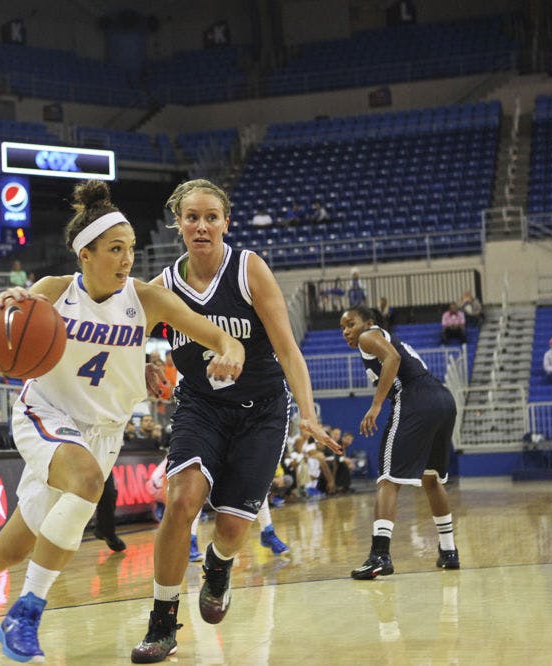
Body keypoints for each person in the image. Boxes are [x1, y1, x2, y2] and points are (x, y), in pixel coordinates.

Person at [0, 179, 245, 665]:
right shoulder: (51, 293)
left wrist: (230, 350)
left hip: (104, 433)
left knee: (10, 547)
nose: (126, 260)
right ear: (85, 254)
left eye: (131, 250)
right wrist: (6, 310)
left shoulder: (145, 299)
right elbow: (2, 337)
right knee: (87, 483)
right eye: (115, 250)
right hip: (46, 416)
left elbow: (217, 336)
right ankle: (25, 614)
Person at [132, 179, 338, 664]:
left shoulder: (248, 269)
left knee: (229, 527)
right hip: (200, 406)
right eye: (191, 217)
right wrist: (139, 360)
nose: (201, 226)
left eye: (211, 217)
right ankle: (162, 623)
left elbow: (287, 348)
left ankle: (220, 567)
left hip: (262, 410)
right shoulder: (161, 288)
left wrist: (308, 414)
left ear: (227, 222)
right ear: (177, 223)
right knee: (181, 499)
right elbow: (121, 335)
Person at [338, 305, 460, 581]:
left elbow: (392, 359)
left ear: (367, 322)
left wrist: (376, 405)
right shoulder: (383, 337)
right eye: (342, 327)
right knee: (431, 479)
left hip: (414, 399)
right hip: (442, 399)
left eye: (350, 324)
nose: (346, 331)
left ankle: (380, 555)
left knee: (387, 479)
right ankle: (449, 551)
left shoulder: (369, 337)